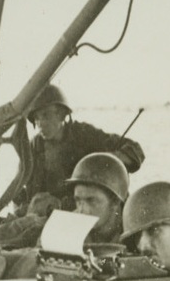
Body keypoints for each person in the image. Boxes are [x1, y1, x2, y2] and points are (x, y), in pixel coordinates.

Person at [12, 84, 144, 213]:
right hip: (48, 215)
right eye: (36, 118)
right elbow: (20, 187)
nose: (40, 123)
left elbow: (135, 150)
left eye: (46, 115)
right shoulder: (33, 148)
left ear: (62, 114)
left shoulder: (84, 135)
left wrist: (108, 160)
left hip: (87, 210)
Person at [65, 152, 131, 243]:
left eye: (91, 201)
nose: (82, 210)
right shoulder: (67, 229)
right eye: (78, 200)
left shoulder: (135, 232)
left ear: (115, 201)